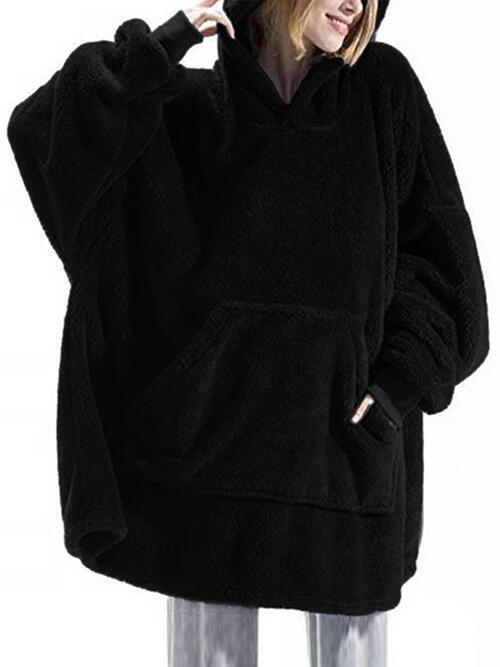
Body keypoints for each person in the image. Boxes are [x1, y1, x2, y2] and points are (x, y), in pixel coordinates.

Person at [7, 1, 489, 665]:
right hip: (207, 474)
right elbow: (45, 131)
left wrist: (396, 388)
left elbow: (442, 266)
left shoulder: (384, 90)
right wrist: (163, 46)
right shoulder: (189, 108)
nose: (357, 3)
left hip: (346, 468)